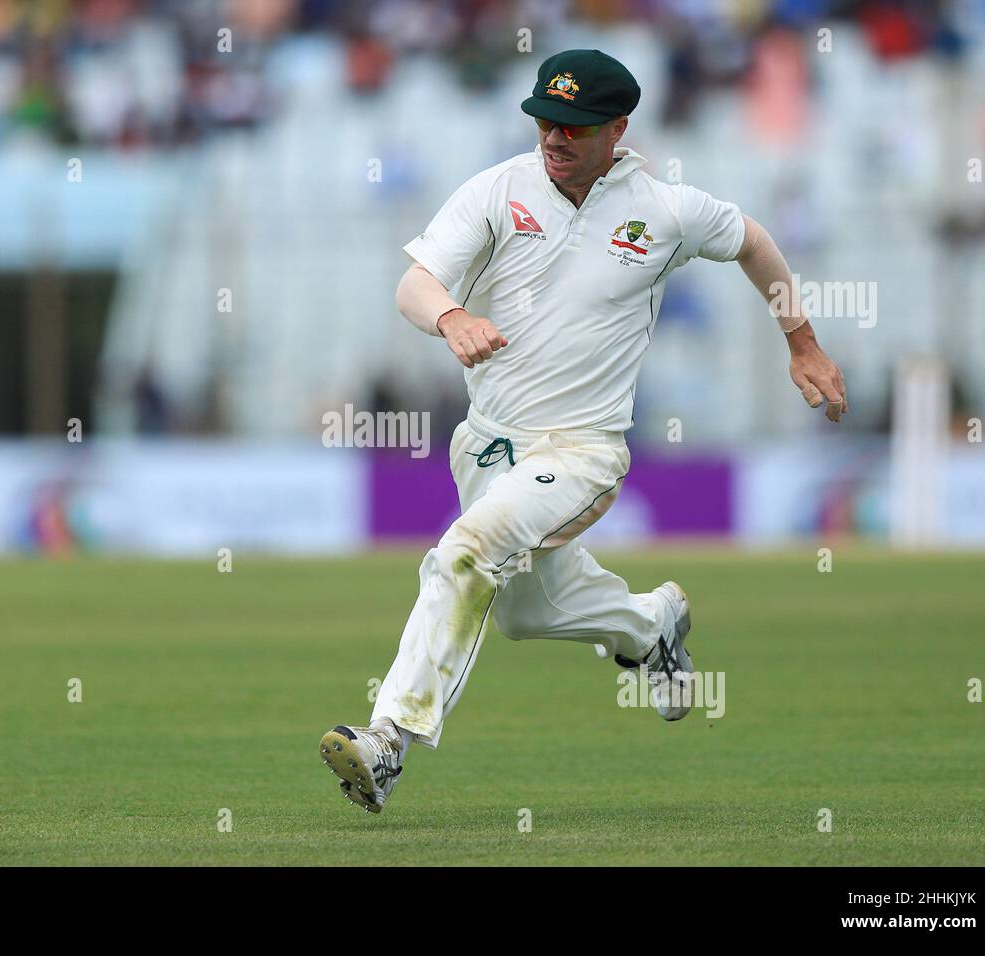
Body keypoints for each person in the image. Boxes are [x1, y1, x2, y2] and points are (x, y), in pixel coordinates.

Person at [319, 50, 847, 813]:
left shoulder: (665, 210)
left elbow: (754, 242)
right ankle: (649, 626)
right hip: (489, 444)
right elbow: (414, 283)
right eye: (544, 120)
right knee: (525, 615)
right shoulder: (500, 189)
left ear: (618, 127)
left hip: (581, 450)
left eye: (573, 125)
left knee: (465, 552)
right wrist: (452, 315)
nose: (554, 137)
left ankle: (387, 740)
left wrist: (801, 340)